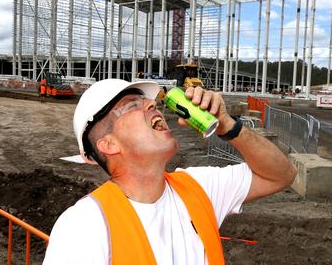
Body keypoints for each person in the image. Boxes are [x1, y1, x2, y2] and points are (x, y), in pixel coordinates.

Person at [43, 79, 296, 264]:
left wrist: (227, 125)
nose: (153, 104)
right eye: (132, 105)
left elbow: (282, 175)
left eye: (148, 100)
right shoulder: (84, 226)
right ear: (108, 144)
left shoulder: (199, 187)